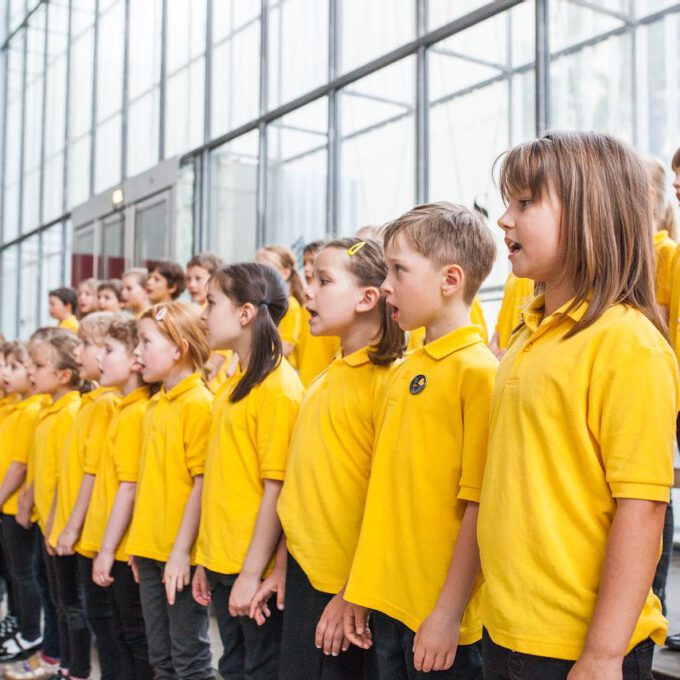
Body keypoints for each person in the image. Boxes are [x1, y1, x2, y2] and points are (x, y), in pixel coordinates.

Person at [477, 130, 678, 680]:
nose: (503, 220)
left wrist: (604, 654)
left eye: (524, 203)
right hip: (509, 629)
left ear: (590, 214)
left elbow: (642, 507)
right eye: (505, 203)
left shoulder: (628, 343)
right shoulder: (526, 336)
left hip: (579, 646)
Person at [343, 202, 497, 679]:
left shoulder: (480, 375)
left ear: (450, 280)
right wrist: (360, 588)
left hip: (441, 620)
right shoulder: (406, 369)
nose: (386, 284)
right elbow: (384, 494)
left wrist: (448, 614)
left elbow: (478, 506)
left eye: (398, 270)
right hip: (389, 604)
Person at [269, 238, 405, 680]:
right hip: (307, 578)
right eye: (309, 280)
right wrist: (282, 566)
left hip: (348, 590)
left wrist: (353, 593)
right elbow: (303, 491)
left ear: (368, 298)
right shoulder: (325, 378)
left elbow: (387, 502)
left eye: (323, 281)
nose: (307, 292)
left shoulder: (390, 384)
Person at [192, 262, 304, 679]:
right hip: (222, 560)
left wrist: (253, 574)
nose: (203, 314)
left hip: (249, 569)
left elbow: (277, 490)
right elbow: (224, 481)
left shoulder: (279, 389)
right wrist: (206, 559)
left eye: (210, 302)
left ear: (245, 313)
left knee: (259, 670)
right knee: (232, 666)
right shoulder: (232, 383)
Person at [126, 302, 214, 680]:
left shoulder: (199, 405)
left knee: (189, 660)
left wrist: (181, 552)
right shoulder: (156, 406)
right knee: (160, 658)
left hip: (180, 556)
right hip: (149, 550)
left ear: (179, 349)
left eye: (145, 342)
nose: (136, 352)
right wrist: (137, 543)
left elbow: (202, 483)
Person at [49, 313, 121, 680]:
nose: (80, 351)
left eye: (91, 345)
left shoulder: (110, 405)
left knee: (108, 625)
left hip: (99, 532)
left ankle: (74, 669)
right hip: (86, 530)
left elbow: (94, 477)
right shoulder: (92, 402)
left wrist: (72, 527)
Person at [80, 315, 153, 679]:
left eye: (109, 350)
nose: (99, 359)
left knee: (135, 638)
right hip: (114, 542)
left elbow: (130, 487)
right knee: (122, 633)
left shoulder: (136, 413)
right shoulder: (125, 409)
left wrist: (107, 549)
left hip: (126, 549)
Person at [28, 330, 84, 680]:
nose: (32, 372)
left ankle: (74, 667)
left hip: (63, 527)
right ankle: (61, 661)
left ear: (64, 374)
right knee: (59, 602)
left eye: (38, 365)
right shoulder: (51, 410)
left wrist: (58, 524)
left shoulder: (70, 413)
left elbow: (70, 478)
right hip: (48, 524)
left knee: (72, 606)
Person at [0, 342, 50, 663]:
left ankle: (31, 632)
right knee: (13, 572)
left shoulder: (31, 411)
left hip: (17, 507)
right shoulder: (15, 407)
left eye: (14, 367)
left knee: (24, 573)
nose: (6, 373)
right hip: (7, 506)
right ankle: (18, 622)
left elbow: (20, 466)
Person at [296, 240, 340, 387]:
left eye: (312, 263)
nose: (307, 270)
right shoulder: (304, 308)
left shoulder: (338, 315)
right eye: (305, 263)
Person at [255, 245, 305, 363]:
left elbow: (287, 347)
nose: (258, 275)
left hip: (277, 370)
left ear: (285, 273)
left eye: (265, 270)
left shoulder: (291, 305)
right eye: (257, 270)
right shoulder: (262, 303)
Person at [488, 273, 534, 359]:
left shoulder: (539, 279)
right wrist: (494, 343)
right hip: (503, 357)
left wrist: (513, 351)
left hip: (521, 357)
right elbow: (501, 320)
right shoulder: (512, 276)